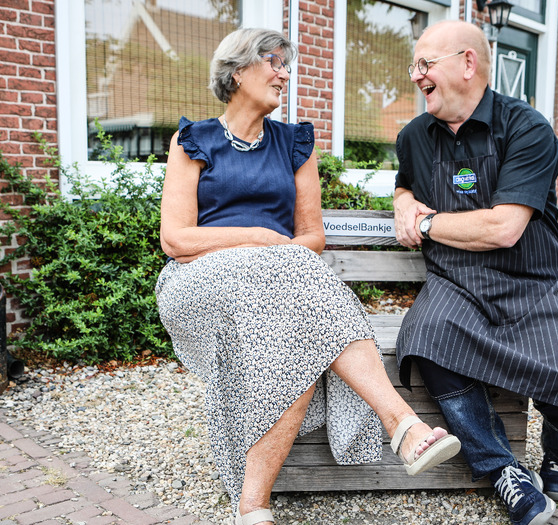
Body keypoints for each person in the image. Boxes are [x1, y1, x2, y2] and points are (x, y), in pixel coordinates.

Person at [154, 28, 461, 525]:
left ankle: (255, 506)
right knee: (292, 288)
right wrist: (260, 239)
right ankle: (398, 421)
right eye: (273, 62)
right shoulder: (193, 140)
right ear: (237, 73)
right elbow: (176, 240)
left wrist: (277, 256)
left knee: (289, 329)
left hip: (277, 283)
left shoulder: (295, 142)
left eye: (285, 63)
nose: (284, 73)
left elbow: (311, 236)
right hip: (200, 281)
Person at [392, 20, 558, 525]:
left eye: (426, 64)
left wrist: (425, 223)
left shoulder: (527, 129)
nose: (416, 76)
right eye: (414, 66)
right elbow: (406, 183)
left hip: (533, 278)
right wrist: (403, 200)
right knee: (424, 336)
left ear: (467, 64)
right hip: (457, 282)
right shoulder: (413, 137)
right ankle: (502, 469)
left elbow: (505, 228)